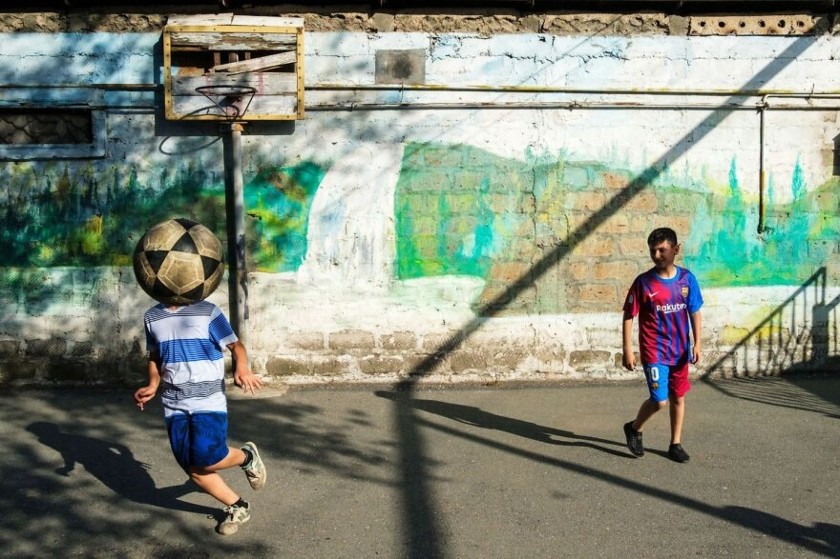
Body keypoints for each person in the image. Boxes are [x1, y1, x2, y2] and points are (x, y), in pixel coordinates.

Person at [134, 299, 267, 535]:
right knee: (193, 469)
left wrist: (242, 368)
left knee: (208, 458)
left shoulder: (207, 311)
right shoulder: (152, 316)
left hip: (208, 400)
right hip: (174, 403)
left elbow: (236, 346)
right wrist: (153, 384)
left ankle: (246, 457)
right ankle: (238, 506)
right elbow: (154, 357)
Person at [621, 227, 703, 463]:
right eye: (653, 251)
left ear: (676, 250)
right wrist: (627, 349)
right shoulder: (644, 283)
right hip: (654, 351)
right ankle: (635, 428)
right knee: (659, 399)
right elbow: (629, 315)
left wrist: (697, 343)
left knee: (678, 397)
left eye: (662, 250)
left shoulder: (687, 280)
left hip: (679, 352)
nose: (657, 255)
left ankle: (675, 444)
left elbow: (694, 312)